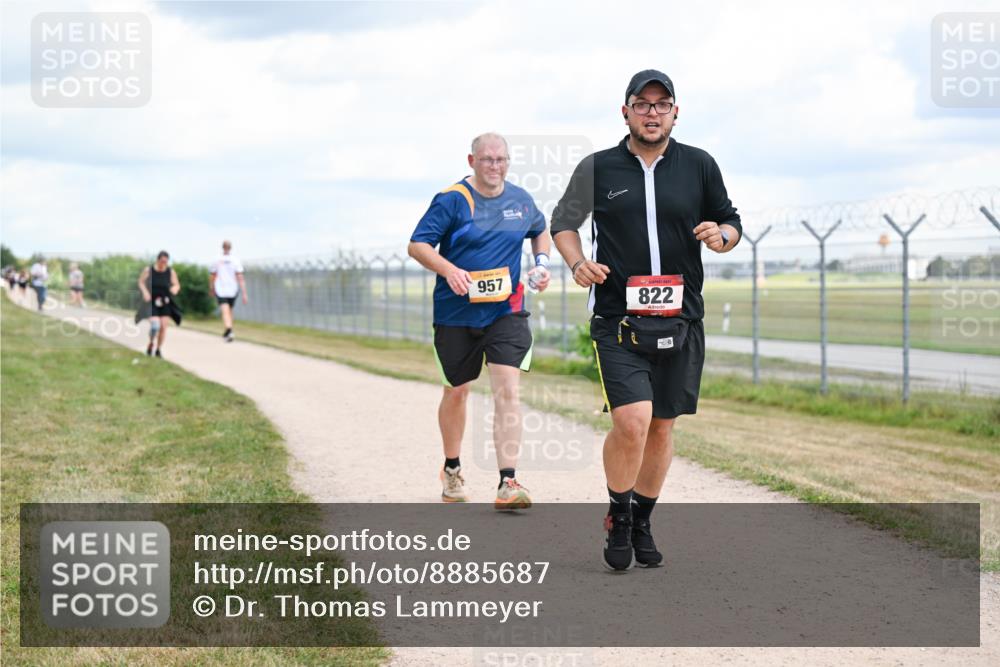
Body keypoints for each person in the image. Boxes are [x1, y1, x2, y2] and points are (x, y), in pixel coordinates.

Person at [551, 70, 742, 570]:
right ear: (626, 111)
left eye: (662, 104)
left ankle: (643, 518)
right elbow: (563, 223)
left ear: (676, 112)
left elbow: (731, 220)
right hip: (618, 318)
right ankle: (618, 512)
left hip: (681, 319)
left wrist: (722, 235)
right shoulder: (598, 168)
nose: (652, 112)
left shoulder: (699, 165)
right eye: (643, 103)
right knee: (632, 421)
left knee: (661, 426)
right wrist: (577, 264)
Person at [408, 132, 552, 509]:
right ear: (472, 162)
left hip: (506, 310)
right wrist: (449, 269)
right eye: (487, 160)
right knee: (457, 390)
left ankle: (509, 482)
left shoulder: (520, 200)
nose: (495, 166)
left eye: (501, 159)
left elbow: (540, 230)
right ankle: (452, 468)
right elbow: (418, 244)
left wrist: (540, 264)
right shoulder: (453, 200)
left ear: (509, 161)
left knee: (508, 388)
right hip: (457, 313)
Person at [136, 251, 182, 358]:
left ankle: (158, 349)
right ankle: (151, 343)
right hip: (151, 302)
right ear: (158, 260)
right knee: (155, 325)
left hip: (165, 302)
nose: (163, 264)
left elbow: (177, 284)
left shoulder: (170, 272)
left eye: (166, 262)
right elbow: (140, 282)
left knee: (163, 327)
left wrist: (175, 289)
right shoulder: (149, 270)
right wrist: (145, 292)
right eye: (162, 261)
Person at [209, 240, 248, 342]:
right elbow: (240, 277)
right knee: (227, 310)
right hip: (230, 289)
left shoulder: (217, 259)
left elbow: (212, 276)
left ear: (223, 247)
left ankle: (229, 329)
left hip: (223, 288)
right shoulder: (235, 260)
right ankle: (229, 330)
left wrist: (211, 288)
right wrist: (244, 293)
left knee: (227, 311)